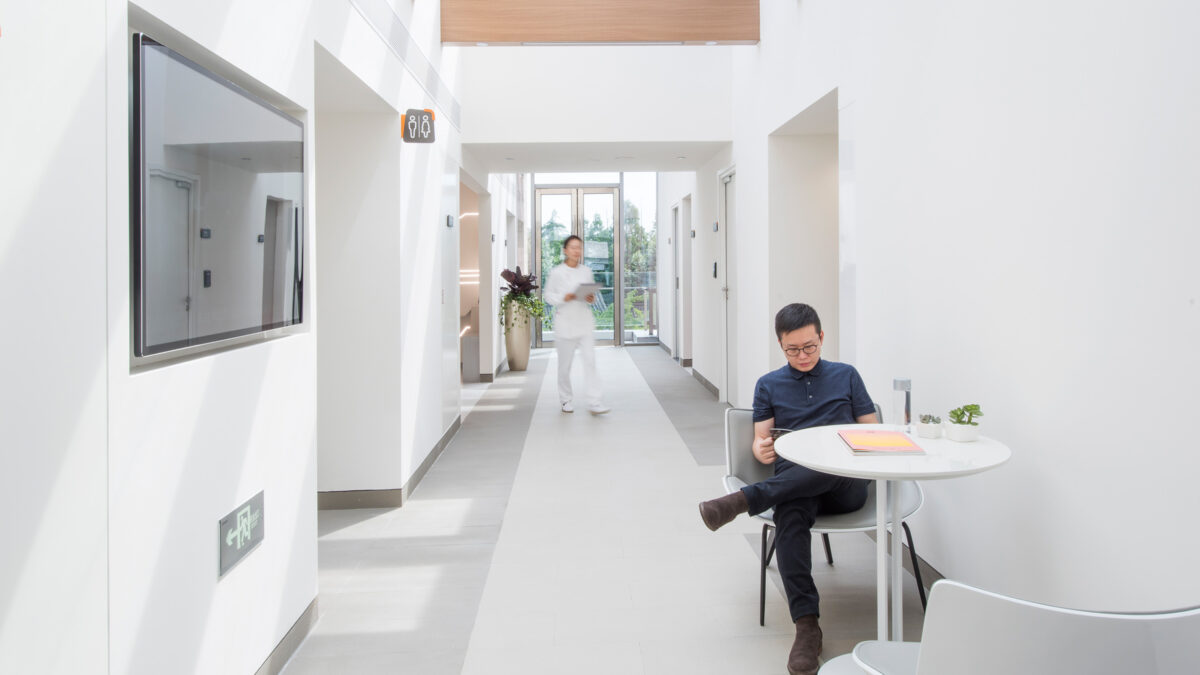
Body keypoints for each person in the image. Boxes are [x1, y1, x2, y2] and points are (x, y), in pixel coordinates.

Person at [698, 303, 877, 675]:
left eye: (809, 347)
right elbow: (761, 444)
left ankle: (743, 500)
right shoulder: (769, 383)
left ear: (821, 338)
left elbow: (873, 434)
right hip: (796, 484)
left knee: (823, 466)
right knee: (791, 516)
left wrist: (841, 444)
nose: (802, 356)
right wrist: (760, 448)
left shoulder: (847, 376)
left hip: (846, 486)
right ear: (780, 345)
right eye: (792, 350)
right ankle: (807, 627)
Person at [542, 235, 610, 415]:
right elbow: (548, 295)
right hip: (565, 324)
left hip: (584, 323)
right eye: (572, 247)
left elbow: (590, 297)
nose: (576, 251)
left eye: (579, 247)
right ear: (565, 250)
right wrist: (563, 298)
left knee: (590, 361)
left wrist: (590, 297)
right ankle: (565, 400)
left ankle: (595, 401)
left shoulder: (586, 271)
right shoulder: (557, 272)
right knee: (564, 366)